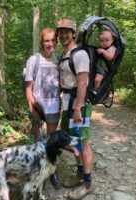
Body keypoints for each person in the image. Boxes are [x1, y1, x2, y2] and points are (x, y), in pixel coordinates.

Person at [56, 19, 93, 199]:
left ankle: (87, 184)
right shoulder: (65, 54)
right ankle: (80, 173)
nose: (63, 35)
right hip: (68, 105)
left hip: (79, 107)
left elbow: (83, 83)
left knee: (83, 143)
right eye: (60, 32)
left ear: (73, 33)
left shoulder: (80, 55)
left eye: (67, 32)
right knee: (72, 142)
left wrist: (78, 108)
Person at [25, 28, 61, 189]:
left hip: (54, 107)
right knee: (38, 142)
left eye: (53, 40)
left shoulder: (59, 59)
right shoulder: (34, 60)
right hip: (39, 108)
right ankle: (39, 171)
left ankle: (52, 171)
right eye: (47, 40)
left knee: (52, 142)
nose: (50, 43)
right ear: (42, 42)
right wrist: (32, 109)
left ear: (56, 42)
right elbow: (28, 87)